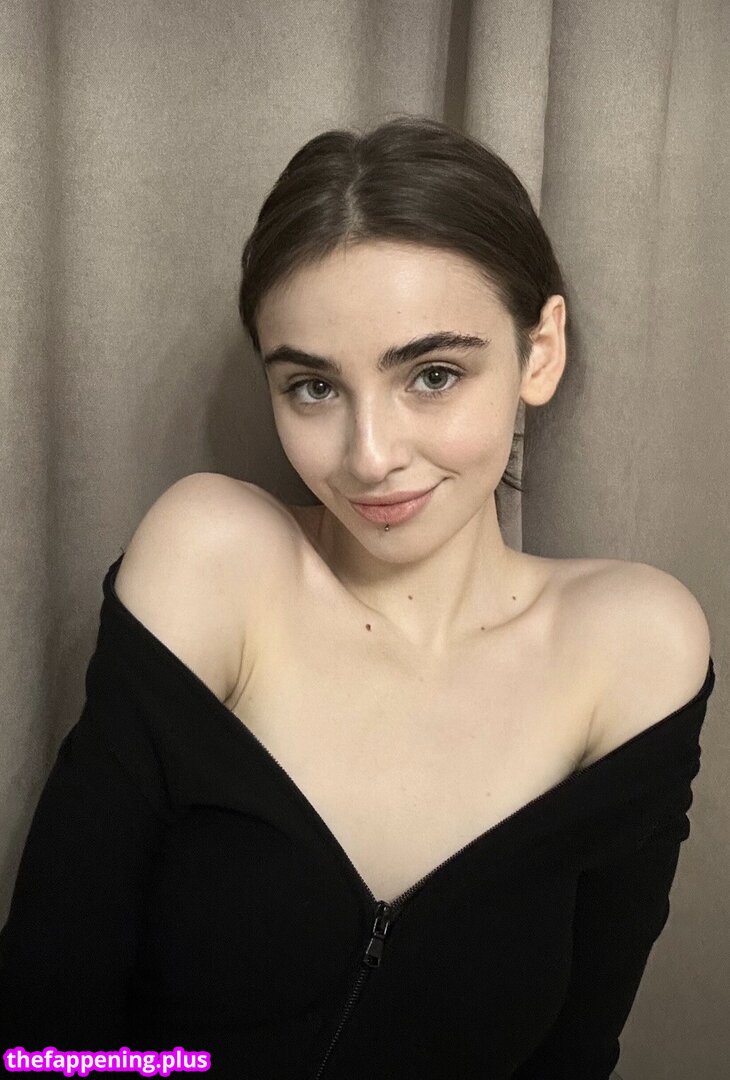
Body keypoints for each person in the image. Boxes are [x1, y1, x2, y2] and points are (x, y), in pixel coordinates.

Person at [0, 115, 716, 1079]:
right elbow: (42, 1030)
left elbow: (573, 1057)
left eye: (433, 375)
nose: (370, 457)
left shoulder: (634, 649)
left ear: (539, 351)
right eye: (312, 388)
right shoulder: (214, 560)